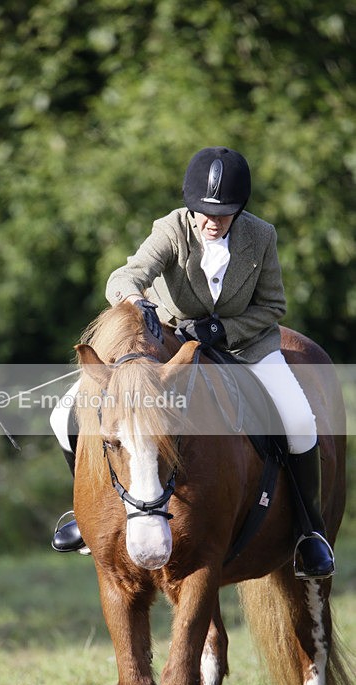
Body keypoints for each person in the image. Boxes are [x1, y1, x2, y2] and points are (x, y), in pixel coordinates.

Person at [50, 146, 334, 579]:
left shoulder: (262, 236)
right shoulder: (170, 229)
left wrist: (220, 332)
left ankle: (309, 533)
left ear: (240, 211)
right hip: (171, 346)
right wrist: (137, 302)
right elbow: (124, 276)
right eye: (203, 211)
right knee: (60, 414)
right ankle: (82, 513)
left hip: (245, 347)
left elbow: (273, 306)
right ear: (190, 204)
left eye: (223, 213)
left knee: (299, 421)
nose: (211, 221)